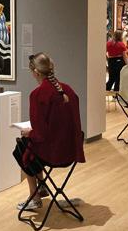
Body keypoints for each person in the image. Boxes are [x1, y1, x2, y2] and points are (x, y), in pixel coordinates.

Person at [13, 52, 85, 210]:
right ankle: (42, 187)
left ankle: (35, 197)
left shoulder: (38, 95)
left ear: (36, 72)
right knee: (31, 146)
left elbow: (40, 134)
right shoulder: (68, 90)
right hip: (71, 150)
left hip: (55, 154)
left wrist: (29, 132)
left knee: (21, 148)